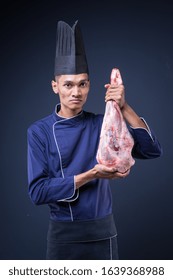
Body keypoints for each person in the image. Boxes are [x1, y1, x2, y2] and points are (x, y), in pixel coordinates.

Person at [27, 20, 162, 260]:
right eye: (68, 85)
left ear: (89, 86)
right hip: (62, 236)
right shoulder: (39, 131)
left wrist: (124, 106)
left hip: (102, 233)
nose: (76, 92)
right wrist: (92, 174)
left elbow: (151, 150)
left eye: (82, 84)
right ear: (55, 86)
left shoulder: (102, 123)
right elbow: (38, 192)